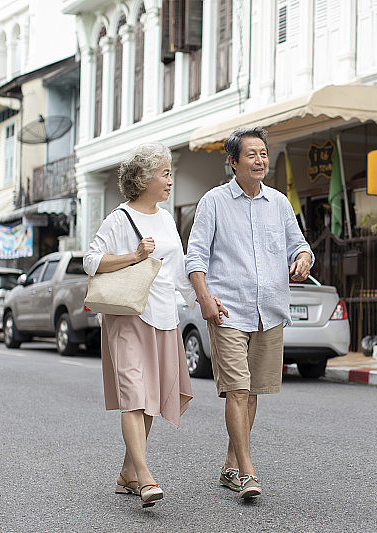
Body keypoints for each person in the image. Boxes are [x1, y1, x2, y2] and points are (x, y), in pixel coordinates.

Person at [185, 126, 314, 499]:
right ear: (233, 161)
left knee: (252, 392)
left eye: (263, 153)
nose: (260, 160)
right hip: (228, 310)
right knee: (238, 390)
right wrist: (204, 297)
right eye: (251, 154)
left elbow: (299, 245)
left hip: (268, 311)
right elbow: (196, 255)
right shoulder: (213, 202)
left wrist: (303, 258)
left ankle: (230, 466)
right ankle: (247, 471)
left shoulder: (279, 203)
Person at [83, 143, 201, 508]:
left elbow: (179, 270)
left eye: (170, 173)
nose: (170, 180)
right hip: (128, 316)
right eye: (165, 173)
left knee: (148, 399)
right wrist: (133, 256)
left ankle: (127, 474)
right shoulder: (119, 219)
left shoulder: (165, 220)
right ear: (144, 178)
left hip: (164, 316)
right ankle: (145, 476)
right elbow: (90, 260)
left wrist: (203, 303)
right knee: (134, 395)